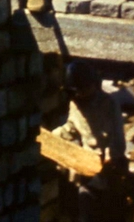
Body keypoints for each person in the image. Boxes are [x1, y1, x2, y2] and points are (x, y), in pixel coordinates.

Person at [52, 61, 128, 222]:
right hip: (88, 169)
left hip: (110, 171)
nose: (80, 95)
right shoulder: (76, 104)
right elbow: (71, 127)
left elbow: (117, 138)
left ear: (93, 84)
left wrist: (111, 155)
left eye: (83, 89)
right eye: (77, 92)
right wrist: (51, 137)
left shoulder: (108, 103)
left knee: (112, 215)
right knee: (86, 207)